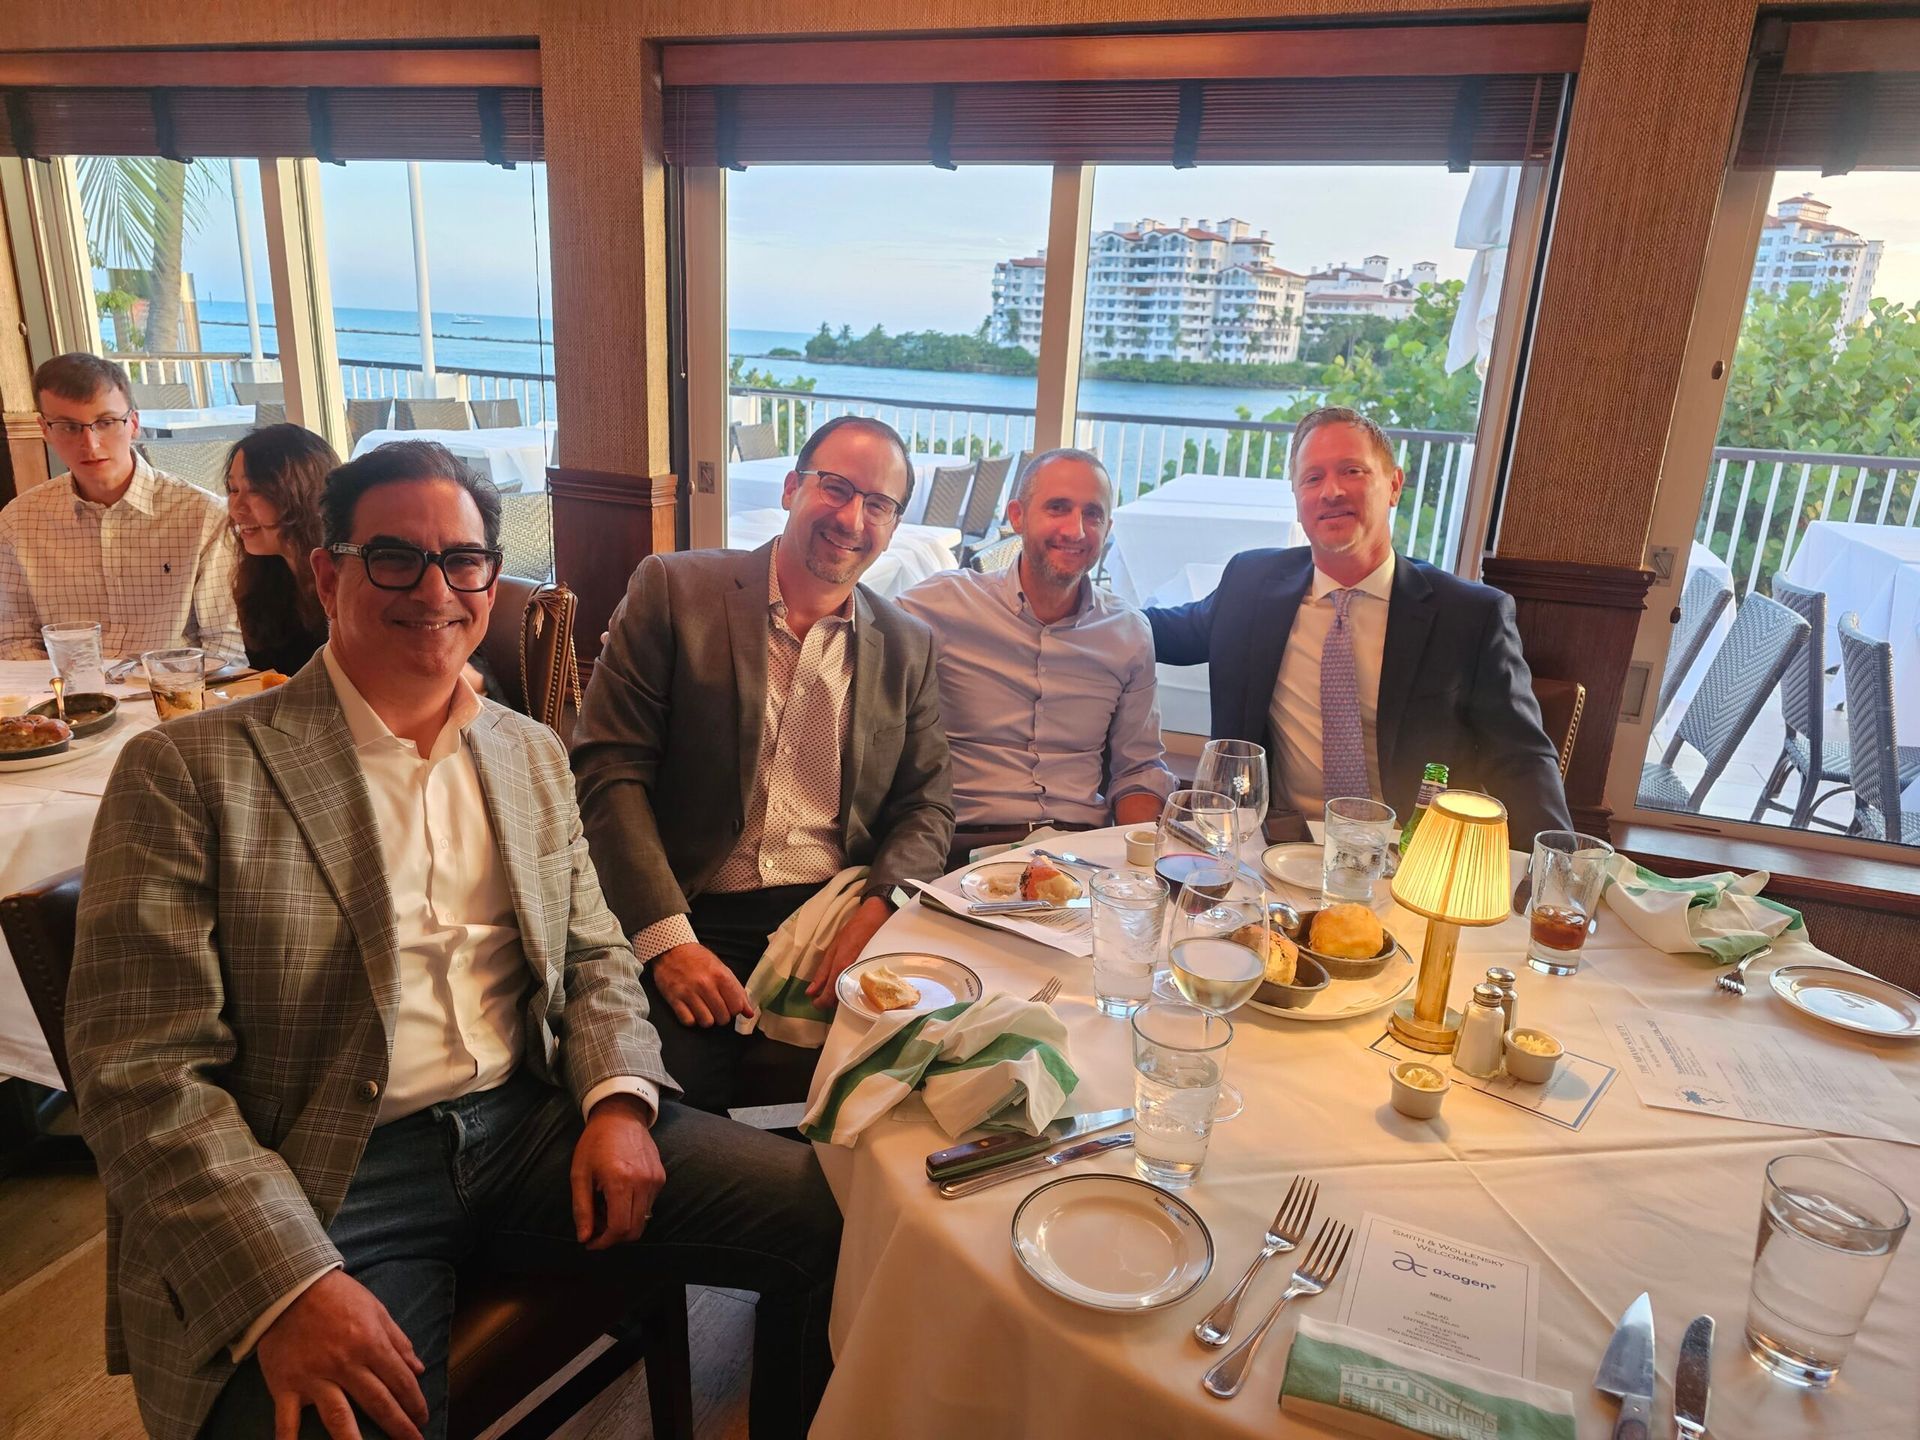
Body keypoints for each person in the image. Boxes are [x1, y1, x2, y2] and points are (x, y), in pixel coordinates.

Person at [67, 440, 840, 1440]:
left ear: (490, 578)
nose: (434, 589)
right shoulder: (190, 771)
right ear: (327, 572)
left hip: (529, 1122)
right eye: (395, 556)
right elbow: (139, 1076)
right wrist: (288, 1283)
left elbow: (598, 953)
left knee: (829, 1223)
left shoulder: (526, 751)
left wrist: (615, 1095)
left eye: (463, 560)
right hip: (328, 1173)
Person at [572, 415, 953, 1114]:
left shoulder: (907, 646)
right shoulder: (673, 591)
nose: (851, 518)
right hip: (696, 905)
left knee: (925, 1096)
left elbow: (927, 804)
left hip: (833, 914)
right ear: (790, 489)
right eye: (834, 489)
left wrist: (878, 909)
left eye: (878, 504)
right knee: (677, 1113)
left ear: (894, 524)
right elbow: (607, 771)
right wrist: (667, 941)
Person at [1146, 405, 1572, 845]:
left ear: (1394, 485)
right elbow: (1163, 631)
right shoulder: (1251, 585)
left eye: (1352, 471)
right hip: (1276, 846)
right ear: (1297, 499)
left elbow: (1521, 759)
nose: (1330, 491)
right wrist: (1075, 607)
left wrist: (1554, 877)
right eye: (1312, 478)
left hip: (1409, 858)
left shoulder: (1468, 615)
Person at [898, 448, 1174, 867]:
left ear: (1108, 528)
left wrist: (1140, 866)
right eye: (1058, 508)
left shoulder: (1129, 634)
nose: (1076, 530)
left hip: (1079, 851)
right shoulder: (939, 607)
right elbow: (855, 639)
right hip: (961, 849)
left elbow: (1138, 770)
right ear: (1018, 516)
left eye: (1093, 514)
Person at [0, 352, 242, 661]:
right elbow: (14, 639)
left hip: (176, 697)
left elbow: (225, 644)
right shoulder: (18, 522)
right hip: (65, 700)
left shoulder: (202, 516)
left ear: (134, 423)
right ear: (45, 430)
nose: (90, 443)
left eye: (105, 422)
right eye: (68, 427)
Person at [225, 423, 337, 674]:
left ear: (300, 495)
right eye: (233, 490)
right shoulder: (263, 579)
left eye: (255, 490)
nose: (236, 508)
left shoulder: (346, 583)